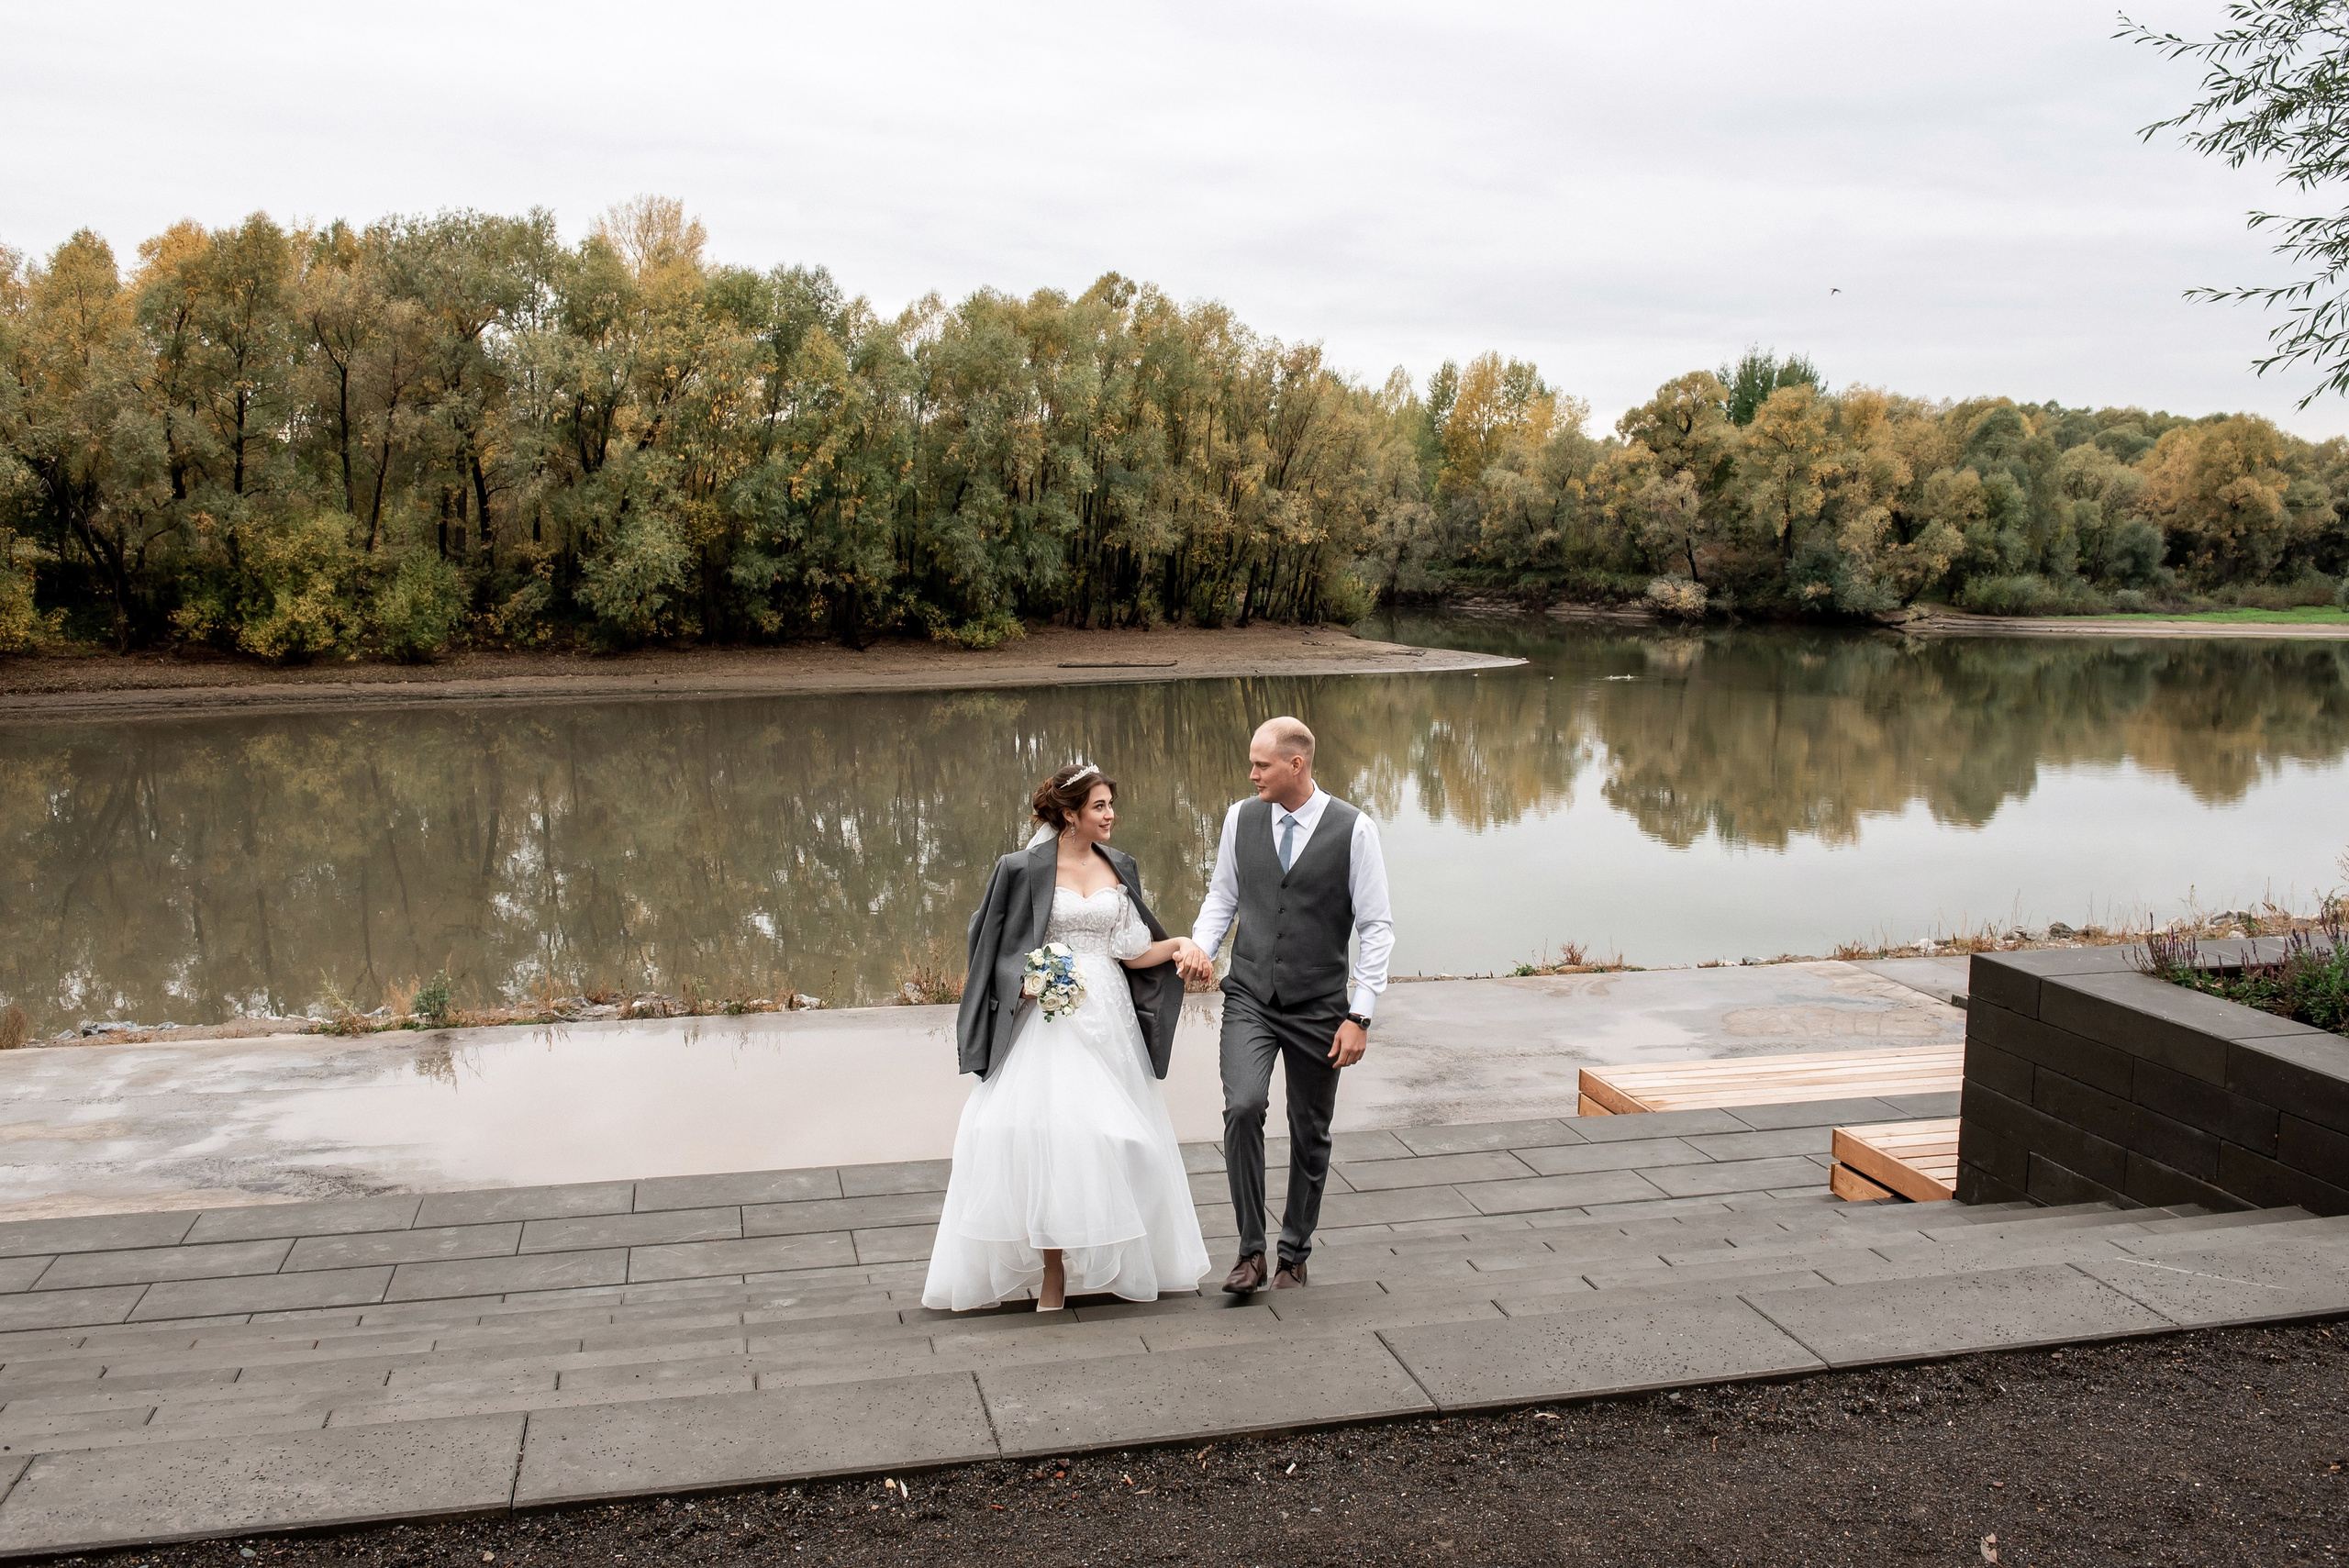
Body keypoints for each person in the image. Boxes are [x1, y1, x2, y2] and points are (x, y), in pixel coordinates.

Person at [921, 763, 1211, 1313]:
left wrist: (1180, 944)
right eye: (1099, 806)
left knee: (1121, 1138)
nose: (1110, 815)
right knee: (1047, 1137)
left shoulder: (1118, 865)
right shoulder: (1021, 868)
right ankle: (1053, 1273)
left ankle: (1120, 1256)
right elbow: (988, 944)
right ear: (1070, 815)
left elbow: (1131, 949)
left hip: (1111, 1018)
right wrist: (1032, 981)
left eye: (1109, 805)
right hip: (1052, 1014)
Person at [1175, 716, 1393, 1294]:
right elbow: (1223, 894)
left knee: (1309, 1128)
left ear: (1296, 764)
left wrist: (1360, 1014)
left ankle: (1294, 1253)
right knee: (1243, 1107)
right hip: (1249, 993)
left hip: (1321, 1004)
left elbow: (1376, 928)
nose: (1252, 775)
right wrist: (1201, 947)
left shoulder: (1356, 830)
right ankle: (1250, 1252)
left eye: (1261, 764)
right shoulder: (1239, 818)